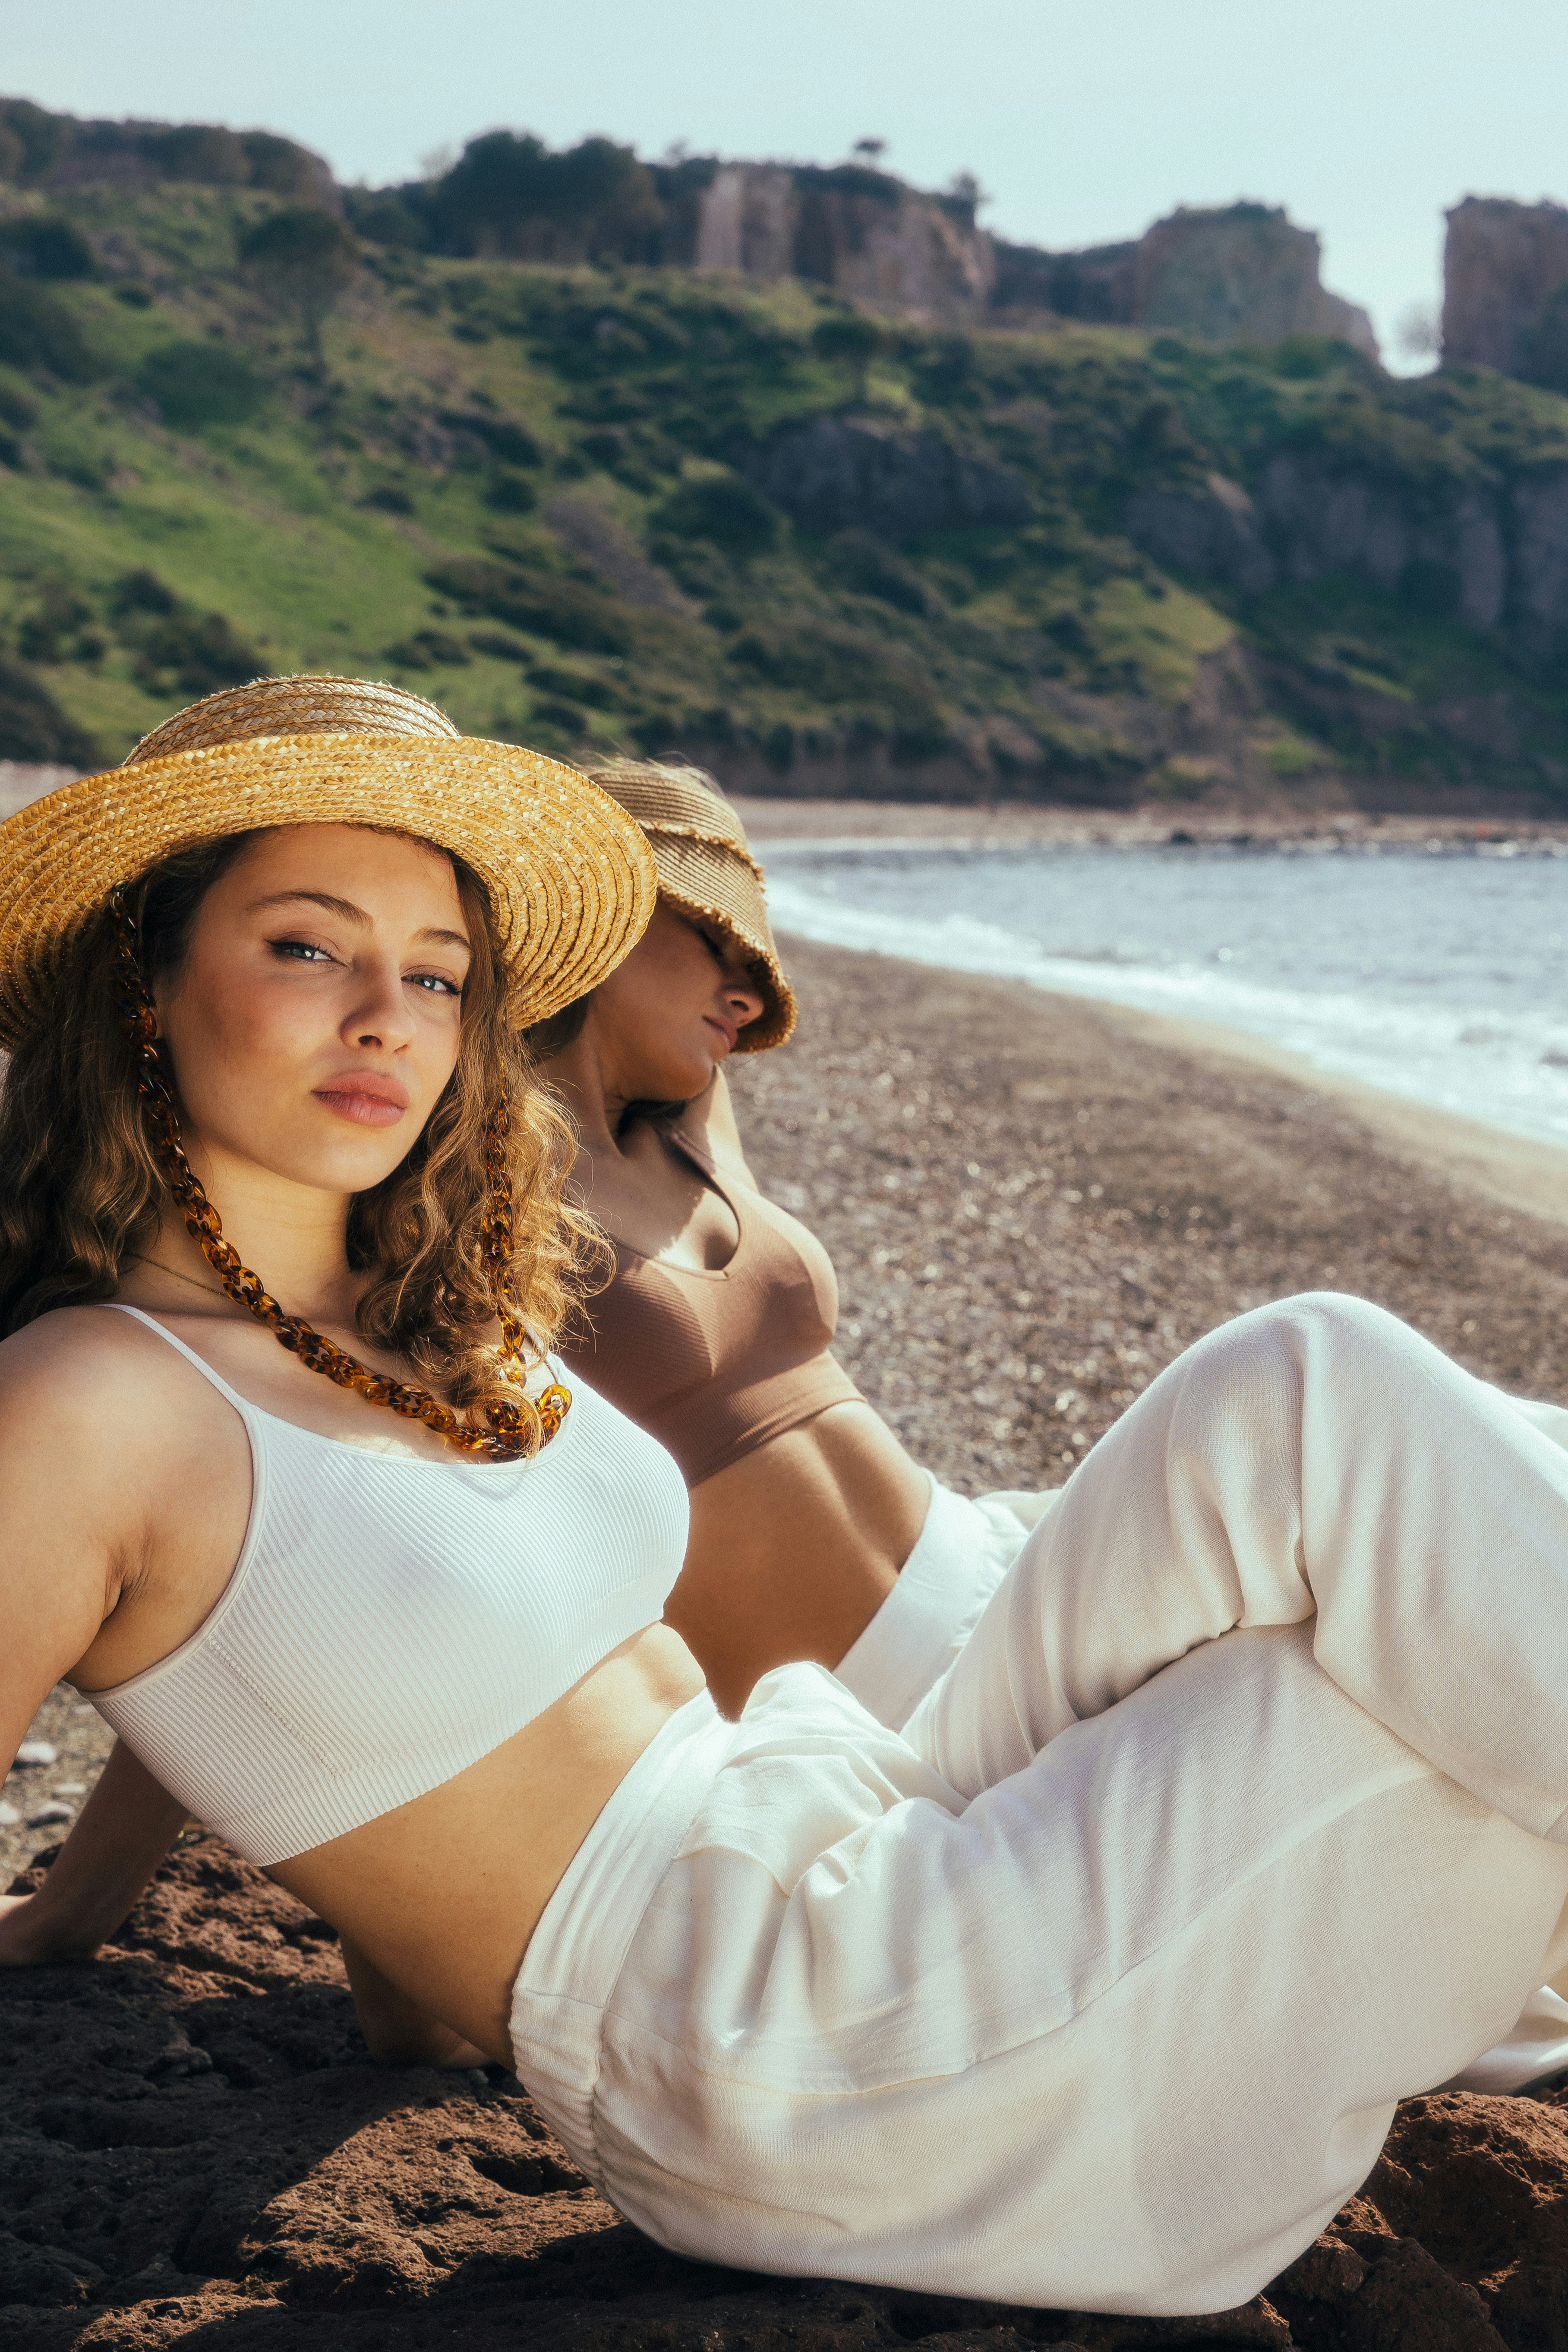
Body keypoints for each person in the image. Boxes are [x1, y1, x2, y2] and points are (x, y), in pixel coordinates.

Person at [5, 675, 1568, 2320]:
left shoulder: (432, 1315)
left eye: (440, 971)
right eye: (309, 946)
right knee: (1372, 1671)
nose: (390, 1014)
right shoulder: (88, 1400)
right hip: (778, 2043)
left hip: (861, 1802)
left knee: (1303, 1388)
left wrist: (402, 1976)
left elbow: (371, 1732)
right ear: (144, 980)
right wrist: (80, 1917)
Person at [533, 759, 1049, 1723]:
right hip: (876, 1713)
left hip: (993, 1569)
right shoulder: (474, 1184)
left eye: (754, 967)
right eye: (717, 939)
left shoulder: (690, 1123)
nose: (747, 996)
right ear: (597, 908)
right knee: (1307, 1368)